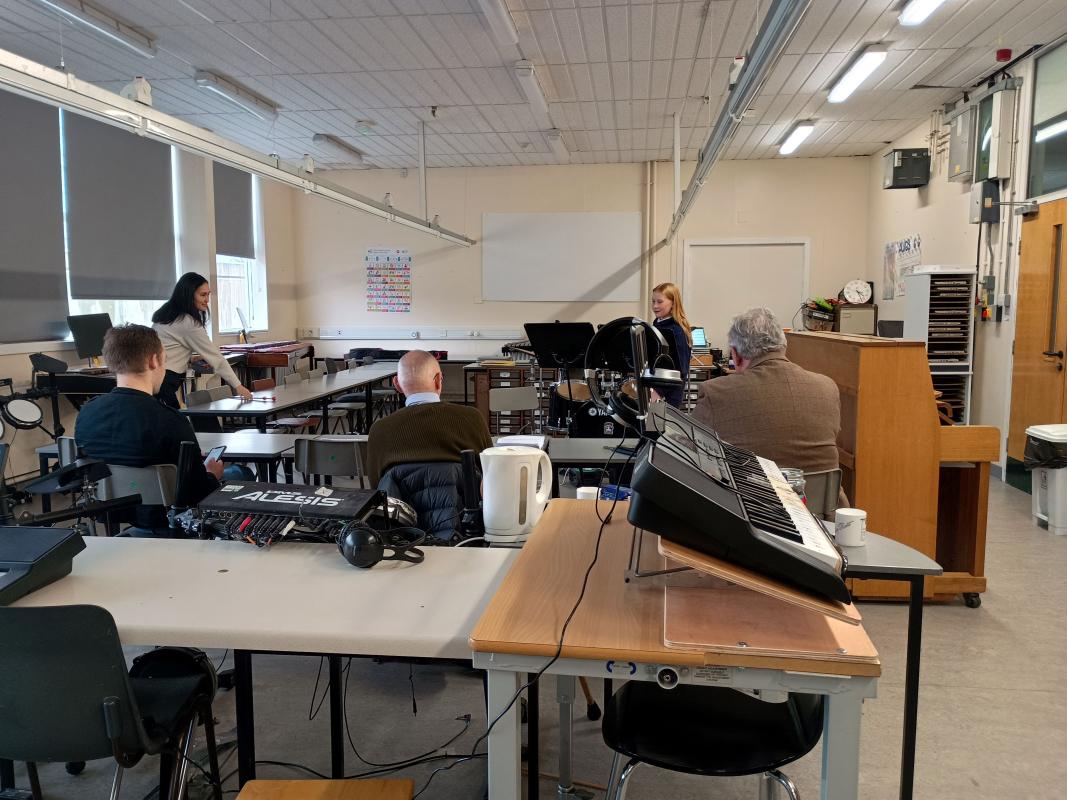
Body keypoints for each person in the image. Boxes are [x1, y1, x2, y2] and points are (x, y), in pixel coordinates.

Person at [75, 324, 224, 534]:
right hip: (164, 522)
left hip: (109, 513)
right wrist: (210, 474)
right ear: (154, 360)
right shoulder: (170, 419)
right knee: (239, 472)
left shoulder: (86, 413)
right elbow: (195, 493)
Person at [691, 307, 841, 477]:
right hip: (822, 501)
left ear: (736, 355)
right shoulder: (828, 388)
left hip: (751, 501)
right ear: (783, 345)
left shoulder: (715, 393)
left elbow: (688, 450)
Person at [366, 350, 493, 486]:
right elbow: (490, 473)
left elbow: (376, 486)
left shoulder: (380, 430)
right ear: (438, 380)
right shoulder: (472, 418)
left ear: (397, 384)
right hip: (462, 506)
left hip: (403, 507)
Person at [152, 272, 253, 408]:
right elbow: (216, 359)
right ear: (188, 295)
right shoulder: (188, 323)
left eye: (208, 294)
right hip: (164, 381)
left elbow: (167, 346)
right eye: (203, 295)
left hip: (153, 378)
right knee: (174, 425)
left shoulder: (168, 314)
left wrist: (188, 358)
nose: (207, 300)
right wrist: (239, 387)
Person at [650, 282, 692, 408]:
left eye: (660, 302)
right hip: (656, 384)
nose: (655, 306)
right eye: (653, 301)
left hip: (670, 392)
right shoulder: (657, 323)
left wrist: (659, 391)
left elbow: (680, 370)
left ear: (673, 303)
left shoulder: (677, 331)